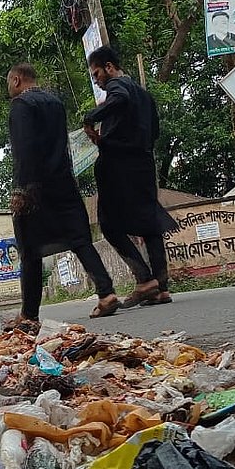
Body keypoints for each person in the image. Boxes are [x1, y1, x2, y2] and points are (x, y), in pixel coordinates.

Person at [6, 63, 121, 320]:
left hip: (34, 187)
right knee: (79, 239)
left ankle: (29, 313)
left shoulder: (21, 106)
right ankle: (106, 292)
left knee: (29, 249)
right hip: (64, 180)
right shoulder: (55, 102)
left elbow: (23, 150)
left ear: (16, 80)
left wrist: (21, 189)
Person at [83, 47, 178, 307]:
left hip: (119, 167)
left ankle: (144, 279)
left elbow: (119, 99)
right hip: (144, 164)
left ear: (110, 67)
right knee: (150, 222)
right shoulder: (145, 97)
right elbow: (155, 131)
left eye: (97, 74)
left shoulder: (118, 86)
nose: (97, 80)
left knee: (110, 225)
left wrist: (90, 118)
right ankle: (161, 287)